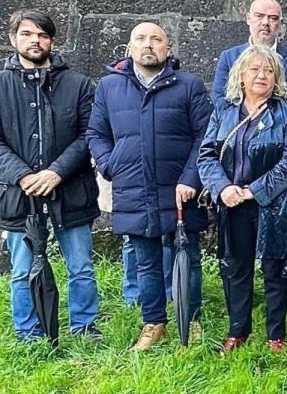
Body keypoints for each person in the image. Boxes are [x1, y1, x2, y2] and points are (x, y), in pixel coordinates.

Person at [0, 10, 101, 341]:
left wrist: (57, 172)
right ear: (13, 38)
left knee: (81, 268)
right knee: (21, 271)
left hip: (71, 191)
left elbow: (90, 135)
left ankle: (85, 327)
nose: (35, 40)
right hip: (19, 194)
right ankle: (28, 333)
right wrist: (23, 175)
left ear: (52, 41)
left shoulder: (79, 85)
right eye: (27, 34)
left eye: (43, 35)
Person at [87, 22, 212, 351]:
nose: (149, 45)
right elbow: (96, 134)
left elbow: (206, 137)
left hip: (180, 191)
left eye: (156, 39)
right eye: (141, 39)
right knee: (146, 262)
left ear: (167, 49)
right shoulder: (109, 87)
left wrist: (190, 179)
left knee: (189, 258)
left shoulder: (189, 85)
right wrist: (109, 164)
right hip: (134, 189)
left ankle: (192, 318)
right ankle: (153, 323)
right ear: (129, 48)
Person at [199, 45, 287, 353]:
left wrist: (252, 190)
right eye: (255, 69)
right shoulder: (225, 111)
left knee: (276, 268)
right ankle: (238, 330)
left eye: (268, 71)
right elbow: (206, 155)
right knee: (236, 267)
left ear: (277, 78)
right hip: (232, 202)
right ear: (241, 75)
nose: (262, 75)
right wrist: (222, 188)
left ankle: (276, 334)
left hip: (274, 202)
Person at [213, 0, 287, 309]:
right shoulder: (229, 56)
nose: (266, 23)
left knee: (285, 228)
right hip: (237, 163)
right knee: (237, 243)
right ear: (248, 19)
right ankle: (240, 303)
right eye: (260, 16)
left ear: (280, 24)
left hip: (277, 155)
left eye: (273, 18)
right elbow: (221, 105)